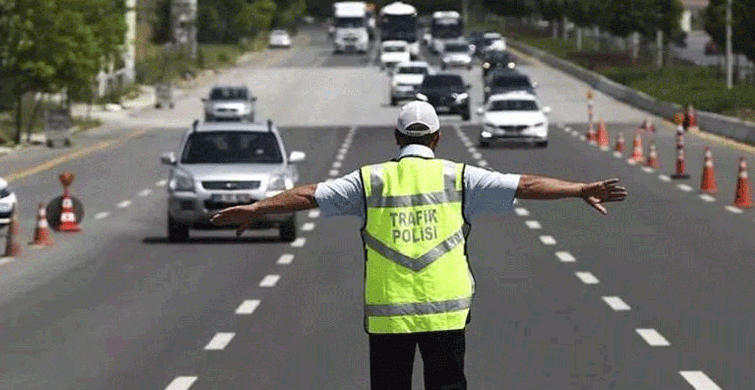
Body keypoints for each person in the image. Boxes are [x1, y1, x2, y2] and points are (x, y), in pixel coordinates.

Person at [211, 101, 628, 390]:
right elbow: (526, 184)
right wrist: (579, 189)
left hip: (388, 316)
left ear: (396, 136)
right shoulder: (460, 177)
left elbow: (307, 195)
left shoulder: (369, 181)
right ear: (438, 138)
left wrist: (257, 208)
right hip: (446, 312)